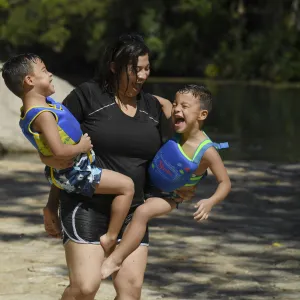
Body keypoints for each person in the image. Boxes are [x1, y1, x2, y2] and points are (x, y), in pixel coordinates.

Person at [38, 34, 195, 300]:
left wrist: (181, 186)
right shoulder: (86, 96)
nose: (143, 75)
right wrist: (52, 204)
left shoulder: (152, 107)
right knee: (85, 288)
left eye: (146, 68)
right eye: (135, 69)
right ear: (114, 66)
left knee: (130, 291)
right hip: (85, 204)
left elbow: (182, 149)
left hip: (133, 212)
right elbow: (60, 156)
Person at [1, 53, 135, 254]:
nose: (51, 74)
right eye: (44, 71)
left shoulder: (34, 109)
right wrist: (81, 146)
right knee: (127, 187)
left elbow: (47, 151)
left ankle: (54, 211)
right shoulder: (43, 115)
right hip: (74, 172)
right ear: (29, 81)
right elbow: (60, 151)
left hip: (64, 170)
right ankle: (111, 236)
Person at [100, 84, 231, 279]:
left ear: (202, 115)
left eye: (185, 106)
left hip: (170, 195)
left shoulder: (207, 151)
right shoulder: (177, 122)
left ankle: (115, 260)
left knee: (143, 212)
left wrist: (210, 202)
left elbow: (225, 182)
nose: (177, 109)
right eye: (176, 104)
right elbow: (161, 101)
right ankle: (112, 236)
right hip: (149, 182)